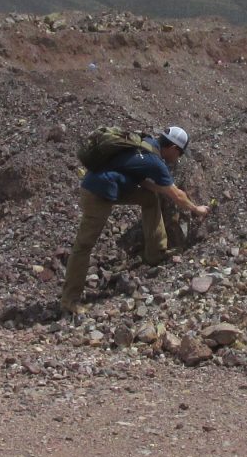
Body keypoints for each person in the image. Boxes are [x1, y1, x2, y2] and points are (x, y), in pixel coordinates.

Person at [60, 125, 208, 315]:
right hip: (97, 193)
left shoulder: (146, 144)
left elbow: (138, 178)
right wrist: (197, 209)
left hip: (110, 186)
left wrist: (163, 189)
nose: (178, 158)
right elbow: (178, 196)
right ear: (172, 148)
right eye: (179, 153)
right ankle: (69, 301)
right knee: (84, 245)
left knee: (149, 198)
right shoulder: (155, 161)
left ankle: (155, 252)